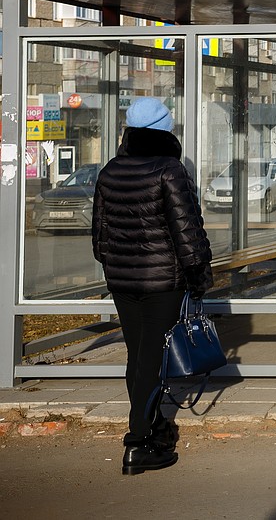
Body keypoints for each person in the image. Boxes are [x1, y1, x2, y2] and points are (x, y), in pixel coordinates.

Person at [92, 96, 213, 476]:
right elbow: (187, 230)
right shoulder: (169, 169)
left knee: (138, 355)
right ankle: (138, 442)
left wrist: (117, 265)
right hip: (163, 281)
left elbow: (99, 236)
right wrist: (198, 274)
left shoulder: (111, 170)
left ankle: (153, 425)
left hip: (122, 279)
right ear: (165, 127)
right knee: (152, 358)